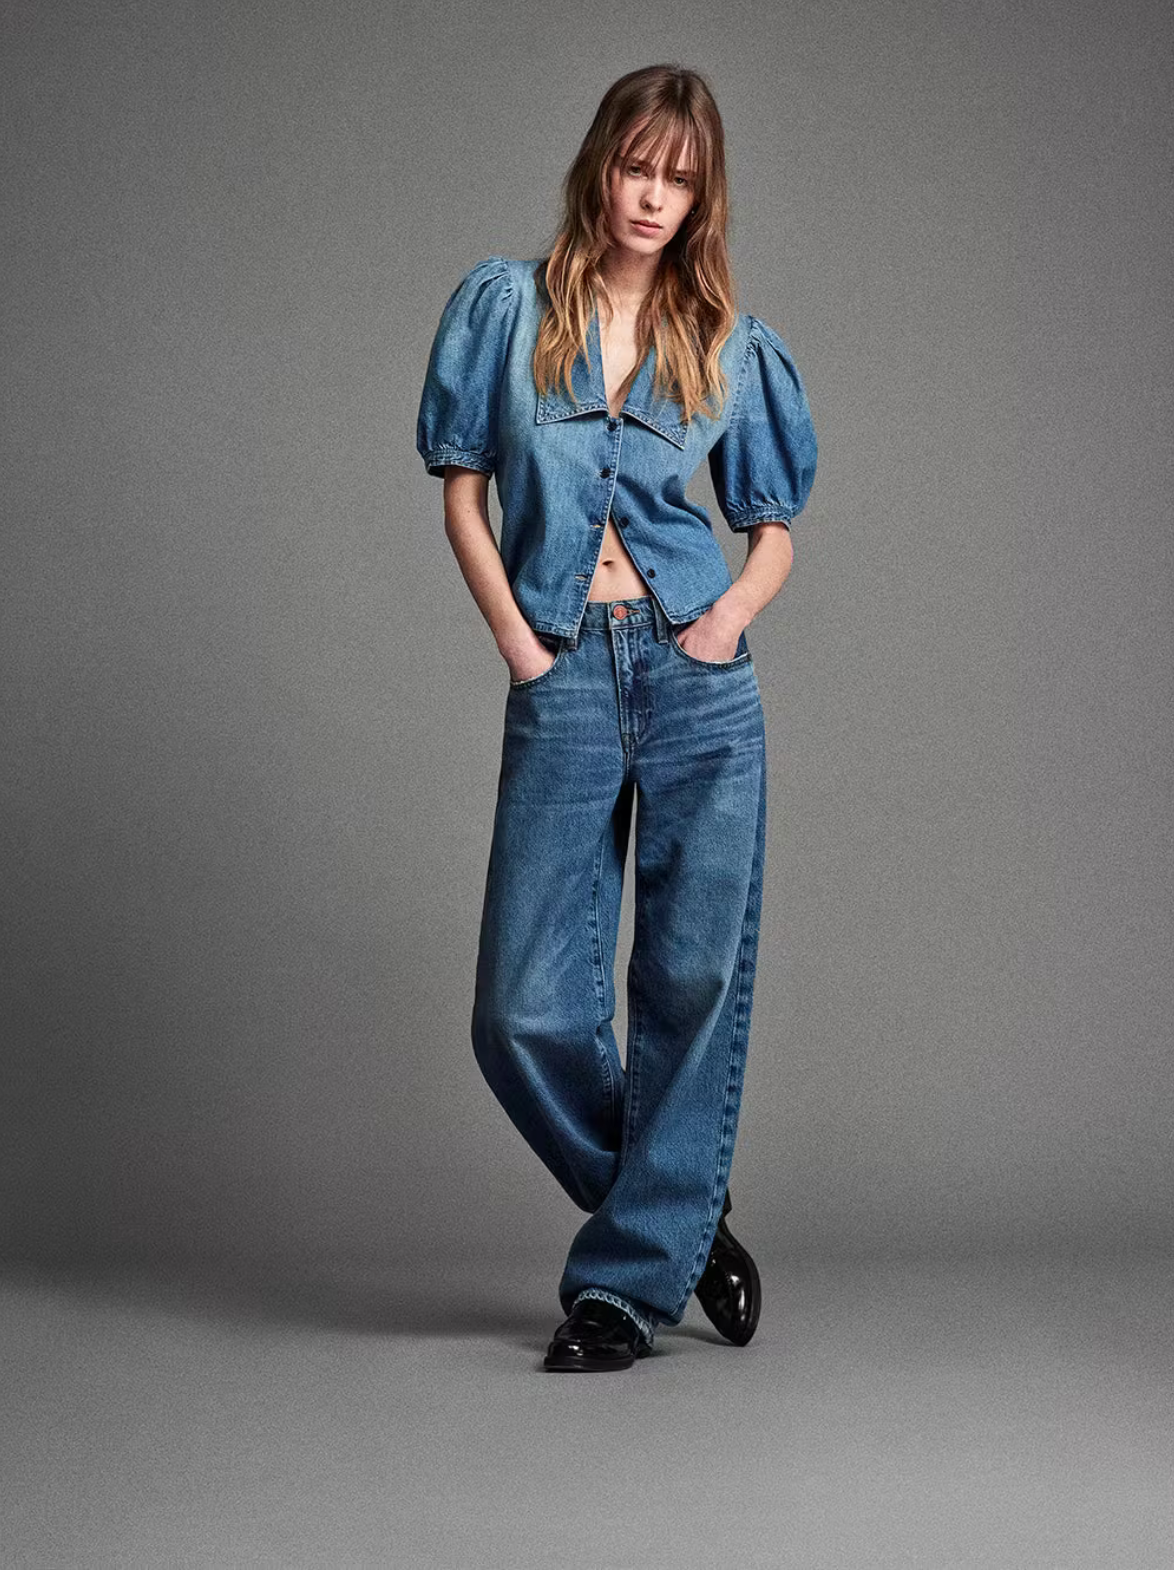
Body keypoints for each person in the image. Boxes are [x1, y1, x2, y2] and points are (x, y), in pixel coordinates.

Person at [415, 63, 817, 1372]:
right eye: (638, 166)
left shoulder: (729, 344)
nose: (653, 195)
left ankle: (621, 1287)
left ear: (702, 196)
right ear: (602, 165)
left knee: (687, 980)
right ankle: (680, 1219)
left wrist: (724, 619)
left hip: (699, 678)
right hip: (566, 664)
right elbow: (463, 492)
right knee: (520, 1009)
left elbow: (772, 528)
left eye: (680, 176)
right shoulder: (506, 308)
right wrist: (520, 648)